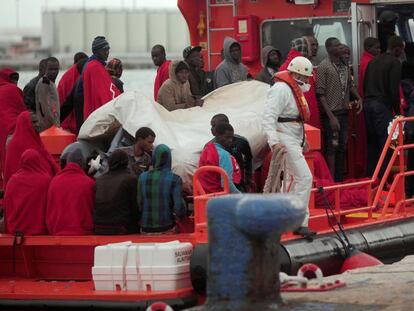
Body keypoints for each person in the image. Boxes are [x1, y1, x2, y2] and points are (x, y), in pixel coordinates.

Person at [262, 56, 315, 238]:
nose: (308, 82)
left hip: (293, 137)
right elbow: (269, 117)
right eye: (305, 78)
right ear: (296, 74)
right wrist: (273, 142)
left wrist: (303, 139)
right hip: (285, 138)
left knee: (291, 181)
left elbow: (296, 119)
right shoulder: (281, 90)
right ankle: (299, 222)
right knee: (305, 178)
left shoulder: (294, 89)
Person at [316, 37, 362, 182]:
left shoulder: (344, 64)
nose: (340, 47)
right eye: (337, 45)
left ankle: (339, 179)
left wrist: (359, 98)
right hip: (332, 113)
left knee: (342, 146)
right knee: (332, 146)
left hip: (344, 111)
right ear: (329, 48)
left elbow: (350, 84)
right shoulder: (324, 66)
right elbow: (320, 94)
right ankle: (331, 181)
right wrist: (330, 117)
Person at [363, 36, 405, 178]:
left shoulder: (372, 61)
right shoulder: (395, 62)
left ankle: (371, 178)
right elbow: (393, 90)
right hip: (381, 106)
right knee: (386, 145)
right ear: (397, 49)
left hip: (368, 105)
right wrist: (398, 113)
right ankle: (383, 180)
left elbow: (365, 85)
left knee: (372, 145)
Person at [138, 144, 186, 234]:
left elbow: (139, 203)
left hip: (145, 229)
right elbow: (178, 208)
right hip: (166, 228)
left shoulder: (142, 177)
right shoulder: (175, 179)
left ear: (154, 158)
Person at [75, 36, 121, 127]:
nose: (108, 52)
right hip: (95, 117)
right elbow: (105, 93)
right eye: (105, 50)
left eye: (108, 49)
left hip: (87, 115)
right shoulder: (95, 67)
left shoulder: (91, 65)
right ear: (98, 51)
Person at [46, 149, 94, 235]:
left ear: (67, 163)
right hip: (83, 233)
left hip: (57, 232)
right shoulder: (89, 183)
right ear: (82, 164)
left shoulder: (54, 182)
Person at [4, 111, 59, 186]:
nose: (37, 125)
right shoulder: (14, 145)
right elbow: (11, 171)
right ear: (25, 123)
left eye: (37, 121)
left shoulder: (36, 139)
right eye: (33, 122)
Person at [4, 149, 51, 235]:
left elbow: (8, 206)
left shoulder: (12, 181)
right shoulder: (45, 180)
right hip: (40, 233)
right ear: (38, 161)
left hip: (15, 232)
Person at [94, 149, 139, 234]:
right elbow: (135, 207)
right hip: (121, 228)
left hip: (99, 228)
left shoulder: (99, 180)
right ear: (126, 162)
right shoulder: (130, 179)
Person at [280, 37, 321, 130]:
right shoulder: (304, 66)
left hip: (288, 118)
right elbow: (308, 96)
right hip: (304, 115)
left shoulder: (284, 66)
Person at [210, 114, 253, 192]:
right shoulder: (209, 147)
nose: (212, 129)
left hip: (239, 184)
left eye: (214, 126)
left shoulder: (241, 141)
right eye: (211, 126)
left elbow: (249, 158)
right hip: (219, 187)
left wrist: (248, 178)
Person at [199, 122, 241, 194]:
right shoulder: (224, 155)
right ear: (218, 135)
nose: (230, 140)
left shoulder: (206, 150)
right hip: (219, 197)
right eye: (227, 137)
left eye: (231, 137)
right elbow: (226, 183)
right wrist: (240, 196)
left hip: (203, 195)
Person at [0, 68, 25, 171]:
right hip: (13, 129)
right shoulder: (14, 90)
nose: (16, 82)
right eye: (13, 79)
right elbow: (23, 111)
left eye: (17, 79)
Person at [58, 52, 88, 133]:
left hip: (64, 124)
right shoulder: (85, 75)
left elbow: (60, 100)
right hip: (82, 123)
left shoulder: (65, 78)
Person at [35, 56, 61, 132]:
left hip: (51, 127)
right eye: (50, 69)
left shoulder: (50, 82)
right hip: (47, 128)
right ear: (45, 69)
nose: (53, 71)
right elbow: (45, 107)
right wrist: (56, 125)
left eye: (56, 69)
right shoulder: (44, 82)